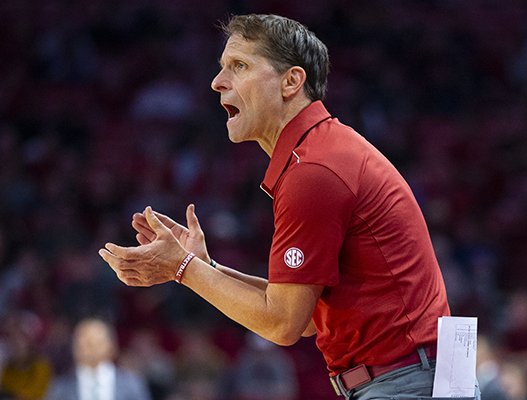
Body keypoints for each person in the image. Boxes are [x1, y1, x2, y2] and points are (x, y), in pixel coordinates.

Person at [98, 14, 462, 400]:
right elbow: (299, 316)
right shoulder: (321, 153)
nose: (217, 81)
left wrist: (182, 268)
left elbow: (283, 325)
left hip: (408, 382)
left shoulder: (315, 171)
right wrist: (207, 269)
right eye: (222, 68)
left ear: (291, 81)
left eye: (239, 66)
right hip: (416, 376)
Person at [44, 318, 151, 400]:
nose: (84, 348)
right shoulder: (61, 387)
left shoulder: (130, 384)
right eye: (80, 342)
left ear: (110, 346)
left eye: (92, 343)